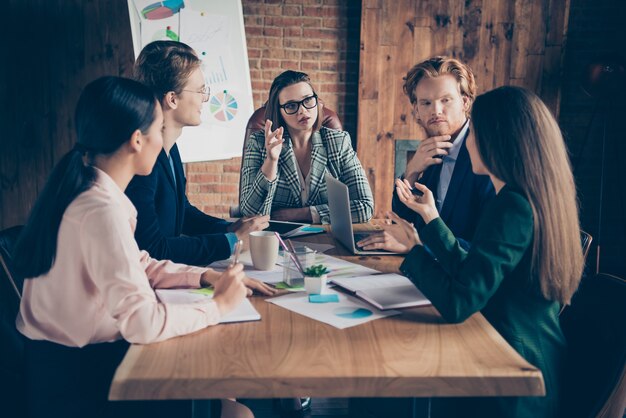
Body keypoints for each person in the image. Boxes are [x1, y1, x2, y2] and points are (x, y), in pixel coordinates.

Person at [13, 76, 254, 418]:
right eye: (159, 129)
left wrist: (204, 278)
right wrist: (219, 306)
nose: (162, 139)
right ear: (137, 140)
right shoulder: (99, 209)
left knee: (226, 393)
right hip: (78, 383)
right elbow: (141, 322)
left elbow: (138, 262)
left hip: (69, 366)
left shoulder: (89, 191)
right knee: (236, 411)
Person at [383, 86, 584, 417]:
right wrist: (430, 220)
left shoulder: (512, 207)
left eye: (474, 131)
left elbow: (459, 302)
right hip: (512, 358)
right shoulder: (528, 197)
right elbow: (474, 275)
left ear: (499, 142)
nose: (469, 142)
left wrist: (413, 252)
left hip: (511, 380)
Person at [126, 40, 270, 267]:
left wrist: (229, 228)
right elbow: (152, 248)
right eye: (201, 90)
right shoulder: (142, 161)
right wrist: (230, 241)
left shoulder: (170, 148)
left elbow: (182, 211)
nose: (205, 98)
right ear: (172, 99)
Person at [357, 56, 494, 252]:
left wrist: (418, 245)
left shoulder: (486, 155)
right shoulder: (432, 149)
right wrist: (411, 172)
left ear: (465, 102)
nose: (436, 111)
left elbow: (484, 250)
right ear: (416, 109)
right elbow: (405, 221)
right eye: (426, 103)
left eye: (445, 100)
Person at [239, 70, 373, 224]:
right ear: (279, 111)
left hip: (326, 238)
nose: (302, 110)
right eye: (291, 105)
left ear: (317, 101)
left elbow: (365, 207)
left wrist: (304, 214)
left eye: (308, 100)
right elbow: (250, 213)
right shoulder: (258, 143)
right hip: (277, 238)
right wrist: (271, 161)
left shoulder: (338, 142)